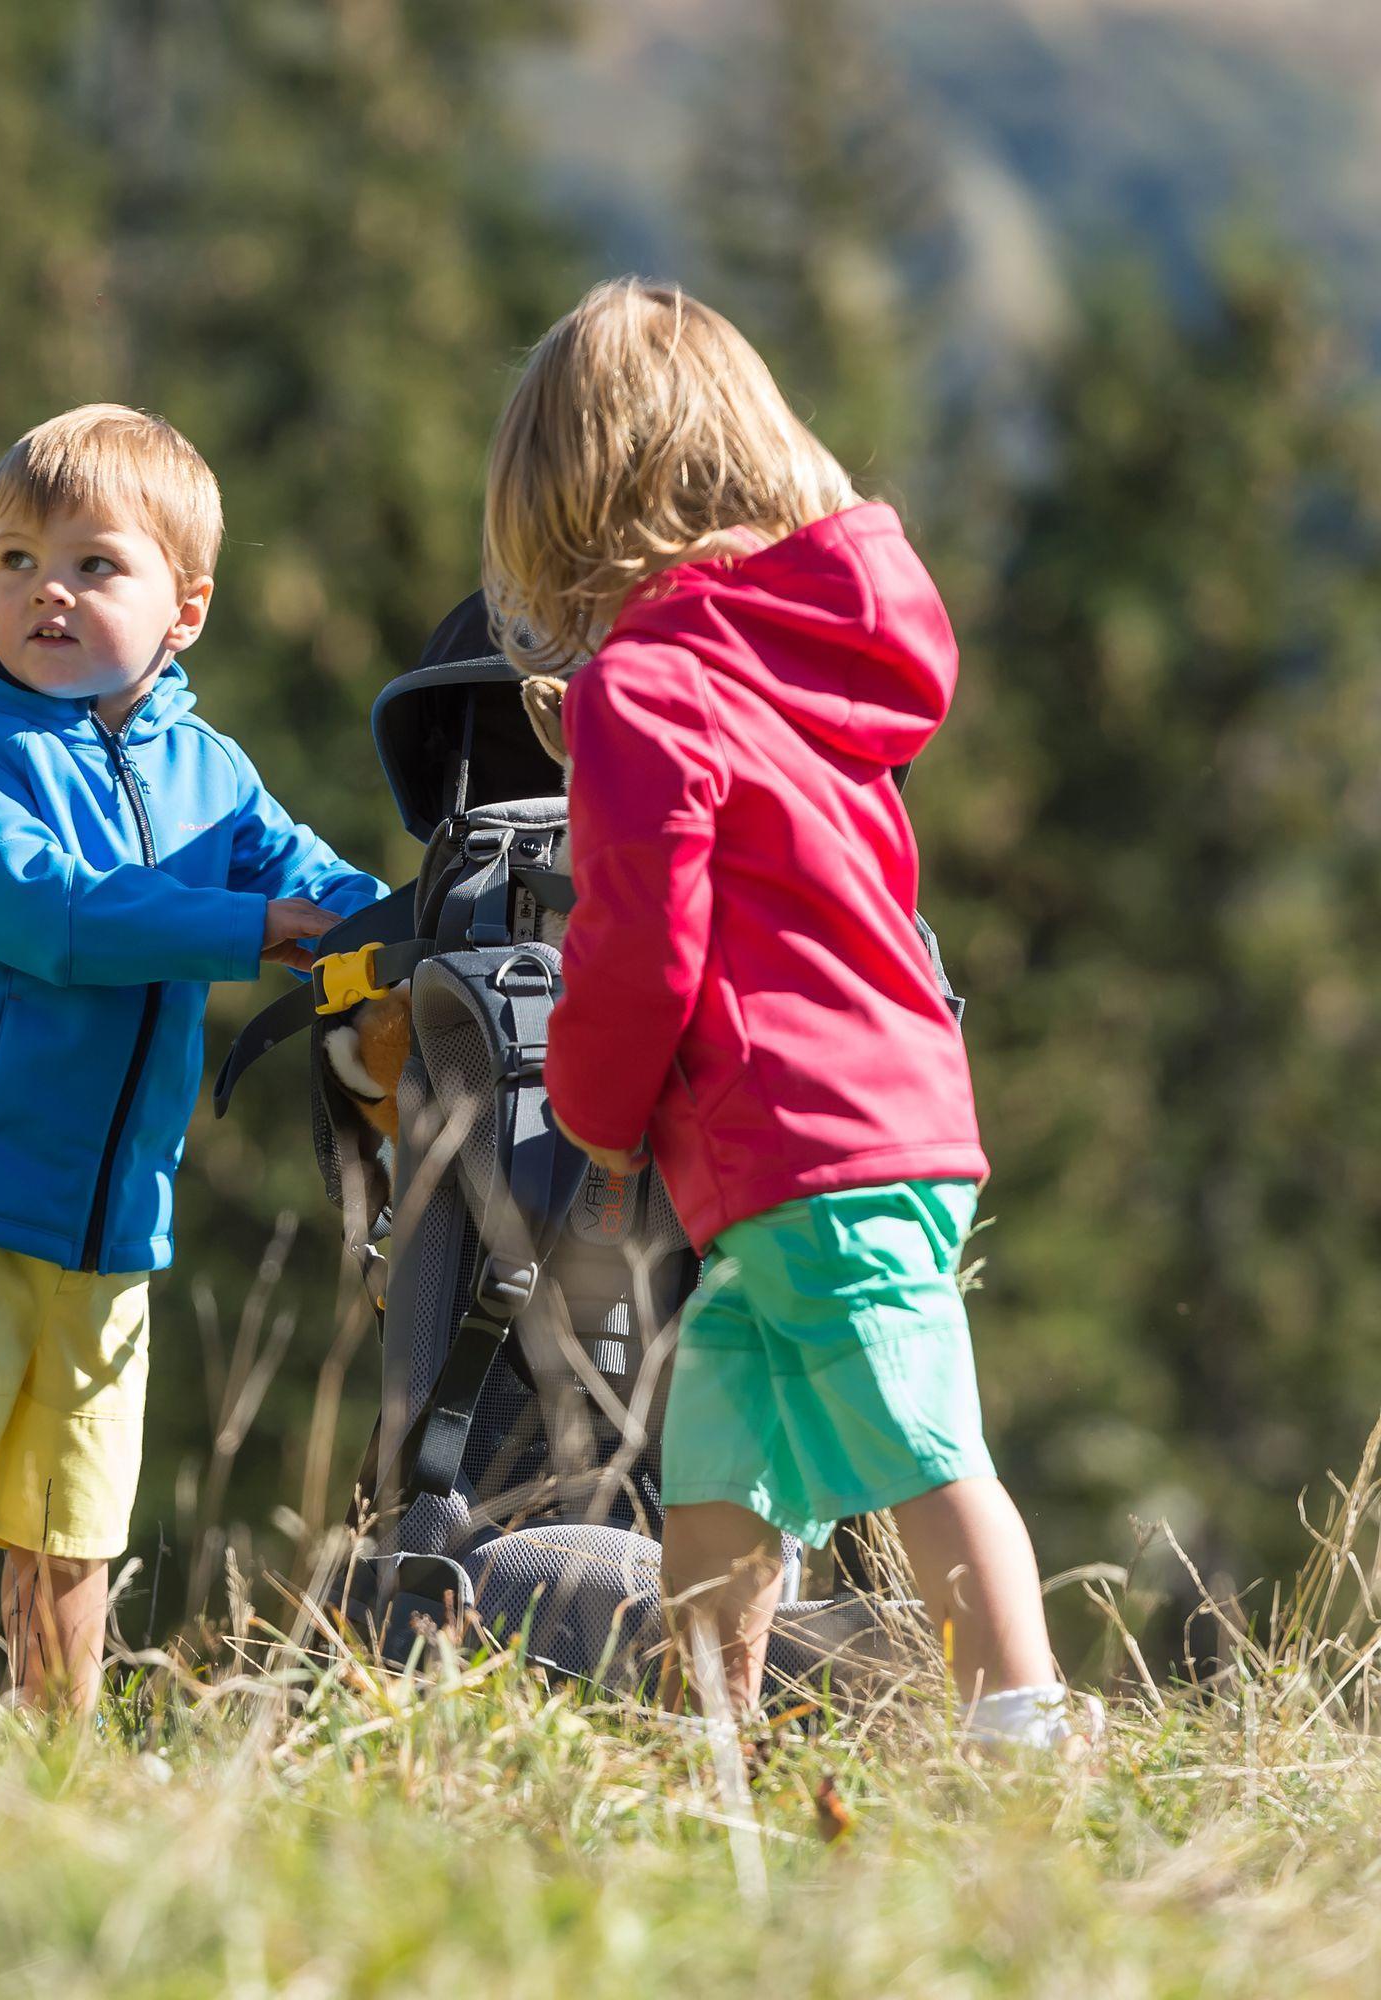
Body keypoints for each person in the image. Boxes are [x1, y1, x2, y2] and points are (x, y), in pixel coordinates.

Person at [481, 279, 1086, 1750]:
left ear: (567, 509)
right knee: (721, 1455)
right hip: (872, 1125)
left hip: (804, 1141)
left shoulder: (651, 683)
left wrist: (591, 1113)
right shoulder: (807, 668)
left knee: (917, 1438)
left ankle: (1027, 1727)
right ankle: (715, 1731)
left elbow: (640, 944)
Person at [0, 403, 386, 1719]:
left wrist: (408, 927)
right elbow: (48, 912)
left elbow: (315, 883)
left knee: (73, 1522)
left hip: (113, 1228)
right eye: (15, 561)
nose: (45, 592)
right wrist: (252, 929)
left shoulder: (211, 772)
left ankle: (57, 1751)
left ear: (185, 609)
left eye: (92, 565)